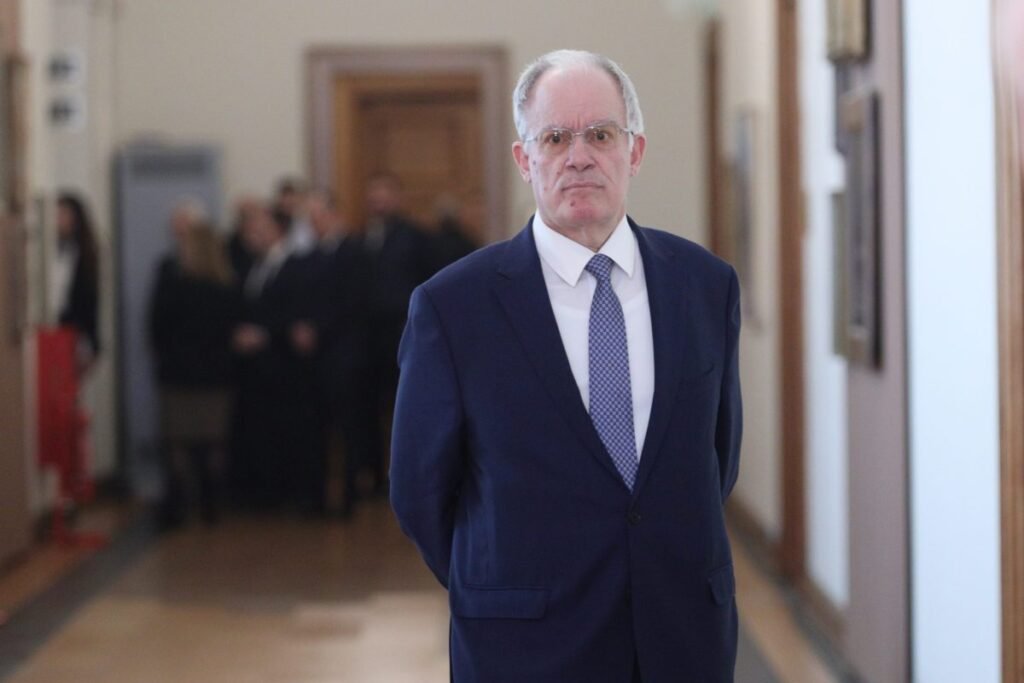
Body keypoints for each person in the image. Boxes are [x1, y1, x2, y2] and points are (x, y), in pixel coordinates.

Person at [390, 50, 742, 682]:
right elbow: (420, 492)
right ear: (525, 160)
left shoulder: (705, 286)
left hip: (682, 635)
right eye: (555, 138)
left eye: (600, 135)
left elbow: (717, 457)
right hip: (524, 645)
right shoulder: (453, 307)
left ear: (634, 151)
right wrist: (499, 583)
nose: (579, 156)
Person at [149, 200, 240, 528]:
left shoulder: (175, 285)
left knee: (179, 443)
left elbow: (157, 327)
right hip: (215, 376)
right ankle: (211, 505)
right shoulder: (226, 286)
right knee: (213, 442)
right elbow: (233, 331)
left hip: (179, 375)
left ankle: (178, 505)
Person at [54, 192, 101, 375]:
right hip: (51, 327)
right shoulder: (49, 252)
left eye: (64, 214)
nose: (58, 220)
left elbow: (90, 301)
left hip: (73, 330)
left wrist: (93, 343)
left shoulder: (83, 255)